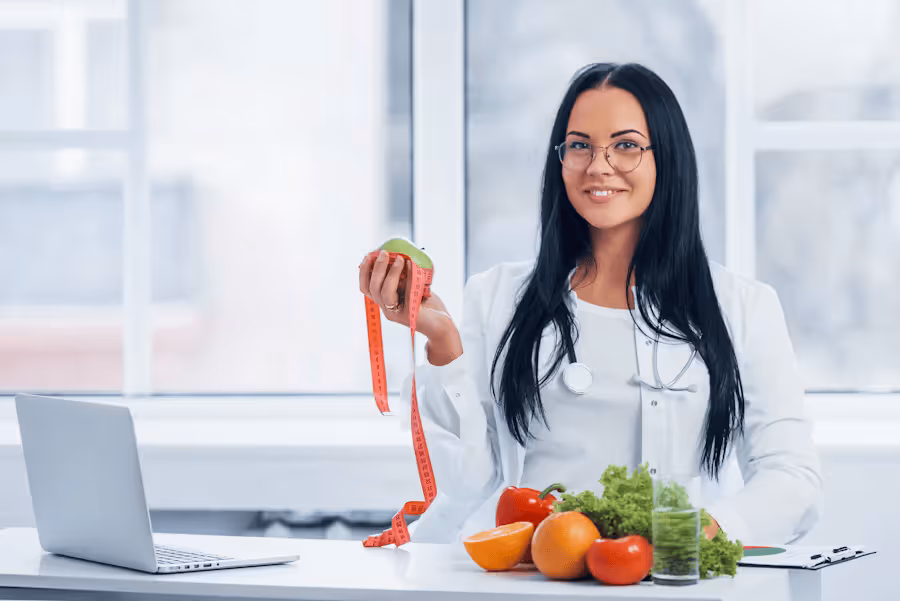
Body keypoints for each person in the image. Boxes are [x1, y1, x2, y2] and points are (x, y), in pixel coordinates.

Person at [358, 62, 823, 546]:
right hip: (534, 582)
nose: (599, 166)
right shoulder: (495, 297)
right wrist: (443, 343)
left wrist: (695, 533)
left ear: (668, 158)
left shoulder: (743, 307)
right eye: (580, 145)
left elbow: (792, 477)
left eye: (626, 145)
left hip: (672, 583)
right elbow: (465, 485)